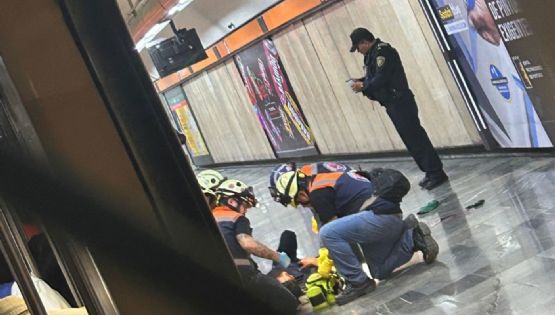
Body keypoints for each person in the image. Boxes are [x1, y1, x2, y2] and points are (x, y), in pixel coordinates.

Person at [274, 168, 439, 305]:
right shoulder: (324, 179)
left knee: (327, 233)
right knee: (379, 271)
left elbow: (330, 237)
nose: (305, 205)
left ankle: (358, 283)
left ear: (302, 195)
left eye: (301, 203)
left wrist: (321, 264)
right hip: (386, 219)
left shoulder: (318, 193)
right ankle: (413, 237)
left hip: (379, 219)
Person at [348, 27, 448, 190]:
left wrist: (364, 86)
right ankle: (430, 172)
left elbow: (382, 78)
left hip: (400, 101)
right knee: (411, 140)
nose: (358, 51)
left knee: (416, 138)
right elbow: (374, 77)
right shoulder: (371, 55)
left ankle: (436, 172)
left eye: (358, 47)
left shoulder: (383, 52)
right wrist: (360, 81)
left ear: (364, 42)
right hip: (392, 103)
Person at [212, 179, 299, 314]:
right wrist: (278, 257)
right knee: (288, 303)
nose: (246, 210)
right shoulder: (235, 218)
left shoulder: (210, 217)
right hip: (242, 276)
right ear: (232, 201)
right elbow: (248, 243)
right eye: (245, 205)